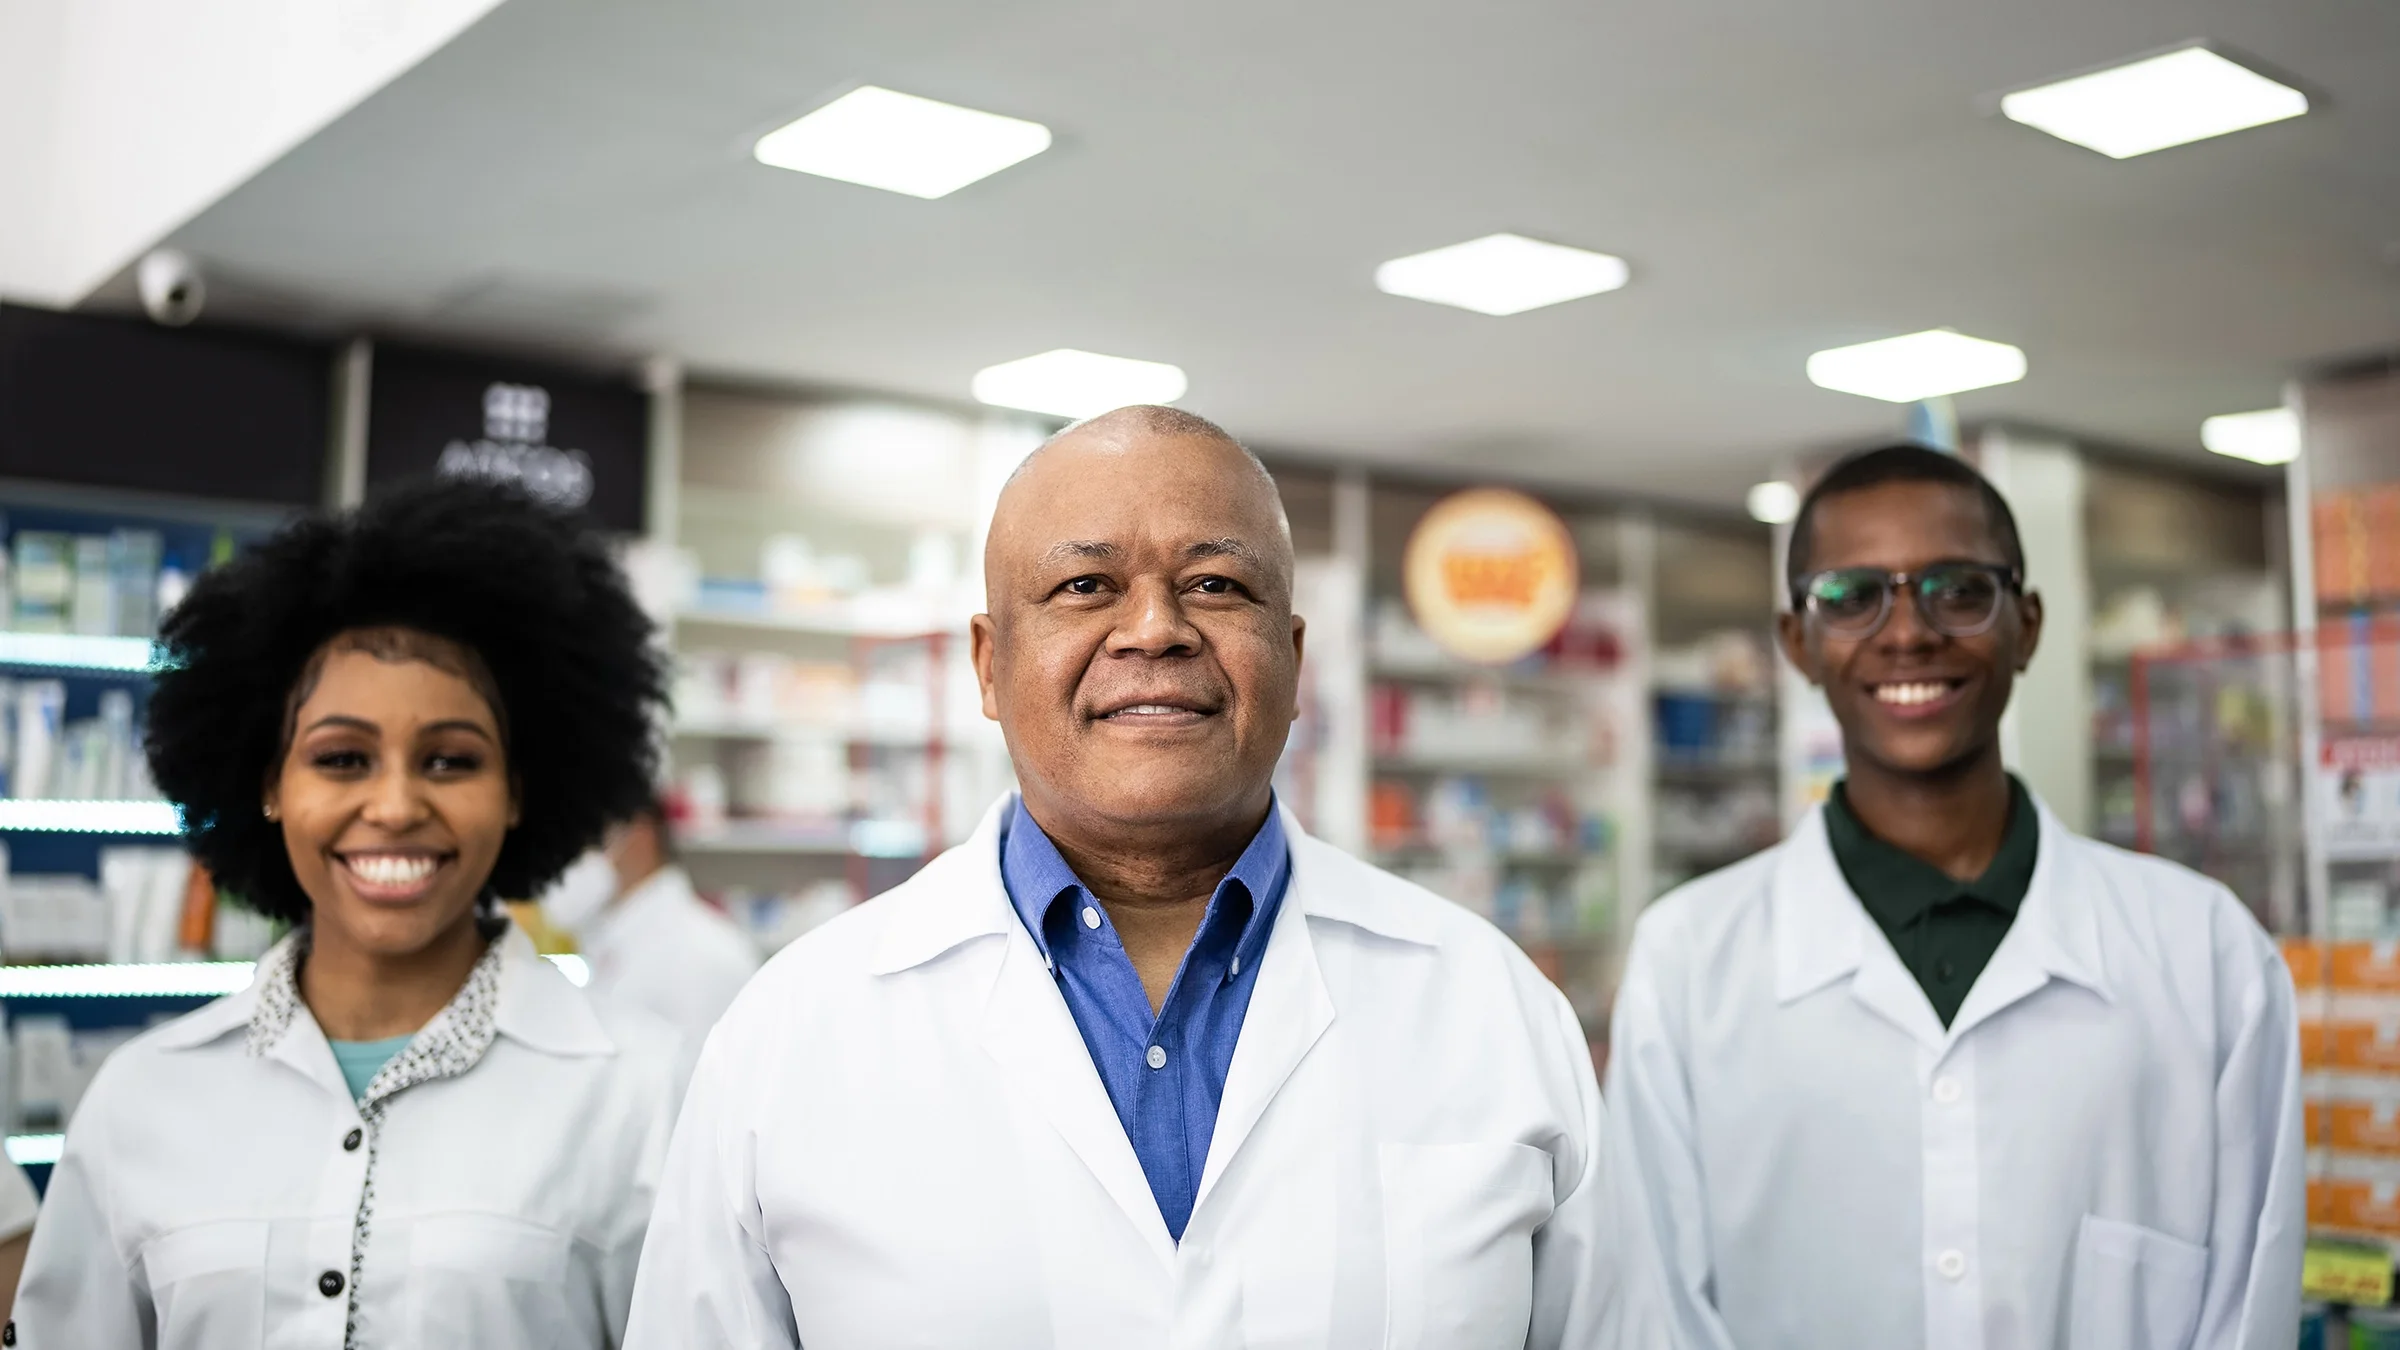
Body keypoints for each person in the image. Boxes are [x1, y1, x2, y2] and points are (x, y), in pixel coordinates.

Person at [626, 406, 1669, 1348]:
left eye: (1216, 584)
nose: (1157, 628)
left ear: (1294, 657)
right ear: (988, 666)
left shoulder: (1493, 1007)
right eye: (1086, 586)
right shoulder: (792, 1032)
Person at [1606, 444, 2302, 1350]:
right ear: (1797, 644)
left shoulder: (2204, 950)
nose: (1908, 633)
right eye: (1853, 596)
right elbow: (1656, 1312)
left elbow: (2248, 1302)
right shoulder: (1691, 957)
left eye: (1958, 588)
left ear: (2029, 624)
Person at [14, 479, 684, 1348]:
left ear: (520, 790)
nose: (396, 805)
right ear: (268, 783)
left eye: (449, 761)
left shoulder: (643, 1093)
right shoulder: (143, 1097)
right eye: (341, 759)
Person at [542, 798, 760, 1045]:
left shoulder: (702, 954)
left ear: (639, 834)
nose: (567, 868)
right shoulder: (611, 939)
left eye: (585, 847)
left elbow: (700, 1076)